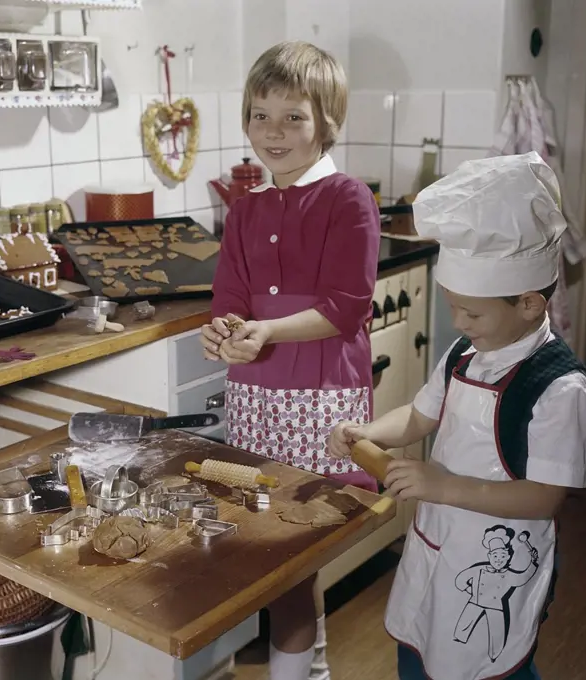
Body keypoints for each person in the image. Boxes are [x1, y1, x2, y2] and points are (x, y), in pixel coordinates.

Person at [329, 151, 586, 680]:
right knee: (420, 644)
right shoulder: (463, 355)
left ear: (530, 305)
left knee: (490, 664)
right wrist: (367, 430)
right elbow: (420, 417)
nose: (457, 321)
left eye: (471, 312)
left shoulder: (560, 388)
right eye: (453, 306)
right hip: (438, 542)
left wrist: (441, 485)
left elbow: (544, 498)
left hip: (499, 561)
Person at [199, 40, 381, 680]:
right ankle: (312, 667)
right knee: (267, 552)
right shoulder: (245, 209)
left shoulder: (347, 199)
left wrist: (265, 330)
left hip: (319, 399)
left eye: (293, 116)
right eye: (259, 115)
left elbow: (348, 306)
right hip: (256, 398)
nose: (272, 132)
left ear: (326, 122)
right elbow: (229, 298)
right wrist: (222, 332)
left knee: (295, 553)